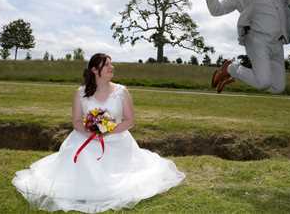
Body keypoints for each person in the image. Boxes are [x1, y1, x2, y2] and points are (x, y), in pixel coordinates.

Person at [12, 53, 185, 213]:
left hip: (117, 139)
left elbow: (129, 120)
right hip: (85, 137)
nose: (112, 67)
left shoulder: (121, 91)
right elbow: (77, 122)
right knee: (82, 155)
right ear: (95, 70)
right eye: (107, 65)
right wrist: (91, 135)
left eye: (112, 64)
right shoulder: (80, 93)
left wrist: (107, 133)